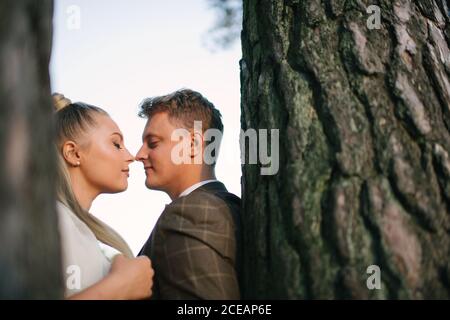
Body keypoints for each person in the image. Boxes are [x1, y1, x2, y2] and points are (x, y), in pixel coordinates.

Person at [136, 89, 241, 299]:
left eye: (153, 143)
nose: (139, 154)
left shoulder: (190, 214)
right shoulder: (228, 207)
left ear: (192, 144)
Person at [53, 93, 153, 299]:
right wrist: (121, 286)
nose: (131, 156)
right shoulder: (52, 220)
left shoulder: (83, 232)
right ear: (73, 153)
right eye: (116, 144)